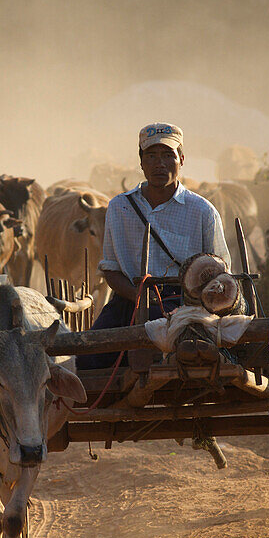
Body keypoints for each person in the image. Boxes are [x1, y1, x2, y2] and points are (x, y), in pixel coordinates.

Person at [77, 123, 232, 369]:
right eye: (151, 155)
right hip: (128, 300)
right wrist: (140, 299)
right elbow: (111, 269)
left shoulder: (203, 211)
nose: (159, 163)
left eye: (168, 155)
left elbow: (221, 274)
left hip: (184, 305)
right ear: (141, 162)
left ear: (181, 159)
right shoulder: (120, 208)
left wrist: (183, 304)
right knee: (86, 358)